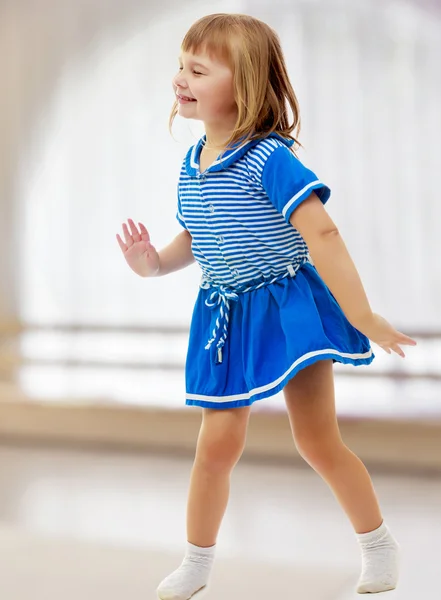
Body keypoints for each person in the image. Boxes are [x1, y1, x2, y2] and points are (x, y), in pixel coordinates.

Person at [116, 13, 416, 600]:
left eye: (198, 69)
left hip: (286, 308)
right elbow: (198, 240)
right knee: (215, 448)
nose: (180, 77)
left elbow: (322, 236)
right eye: (180, 65)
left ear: (245, 85)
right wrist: (152, 263)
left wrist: (363, 315)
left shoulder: (269, 159)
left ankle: (378, 544)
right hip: (225, 317)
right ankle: (197, 562)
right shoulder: (194, 161)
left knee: (316, 439)